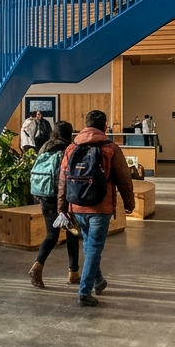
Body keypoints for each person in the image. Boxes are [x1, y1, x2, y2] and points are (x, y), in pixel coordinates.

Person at [58, 110, 134, 307]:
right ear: (104, 125)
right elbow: (124, 179)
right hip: (101, 206)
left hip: (77, 205)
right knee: (94, 248)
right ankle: (85, 291)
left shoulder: (72, 147)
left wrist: (62, 207)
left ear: (86, 124)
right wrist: (129, 203)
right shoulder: (110, 148)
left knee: (88, 245)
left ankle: (98, 280)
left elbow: (63, 179)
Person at [28, 119, 79, 288]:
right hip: (64, 198)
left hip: (45, 197)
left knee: (52, 235)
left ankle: (37, 266)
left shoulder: (44, 147)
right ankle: (73, 273)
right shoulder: (68, 149)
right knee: (72, 233)